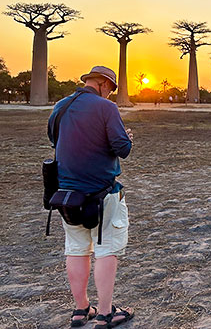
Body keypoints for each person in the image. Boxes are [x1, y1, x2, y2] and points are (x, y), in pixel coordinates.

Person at [47, 66, 134, 329]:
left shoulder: (60, 107)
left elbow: (55, 139)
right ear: (105, 84)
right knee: (106, 249)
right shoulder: (106, 108)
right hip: (102, 193)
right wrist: (127, 138)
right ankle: (105, 314)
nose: (109, 95)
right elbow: (122, 148)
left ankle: (80, 309)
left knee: (75, 249)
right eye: (111, 89)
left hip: (66, 195)